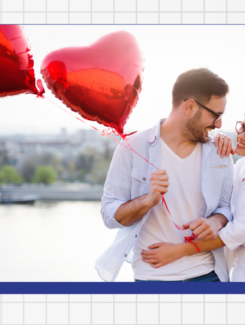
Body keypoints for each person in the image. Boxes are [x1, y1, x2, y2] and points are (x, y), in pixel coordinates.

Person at [141, 100, 245, 282]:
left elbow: (237, 232)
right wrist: (216, 139)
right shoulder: (242, 166)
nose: (242, 136)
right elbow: (224, 203)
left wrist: (177, 251)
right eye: (243, 127)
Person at [96, 68, 236, 282]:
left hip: (208, 276)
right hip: (151, 279)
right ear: (190, 107)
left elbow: (228, 207)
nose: (219, 124)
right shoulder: (133, 148)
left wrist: (216, 221)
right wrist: (148, 200)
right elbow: (109, 214)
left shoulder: (220, 152)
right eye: (216, 115)